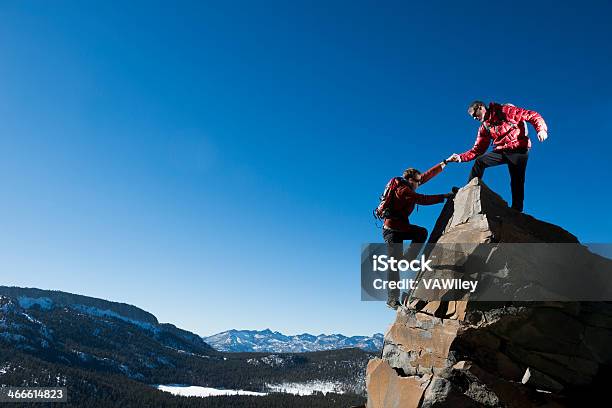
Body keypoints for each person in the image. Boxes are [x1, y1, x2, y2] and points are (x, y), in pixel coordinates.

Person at [447, 101, 548, 212]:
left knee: (517, 180)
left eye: (475, 115)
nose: (475, 118)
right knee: (480, 162)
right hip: (502, 151)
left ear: (480, 107)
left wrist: (541, 129)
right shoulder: (485, 127)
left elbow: (532, 115)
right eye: (473, 117)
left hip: (518, 149)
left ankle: (517, 209)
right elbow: (477, 150)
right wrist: (460, 157)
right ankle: (467, 191)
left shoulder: (504, 110)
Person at [382, 161, 453, 309]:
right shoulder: (403, 190)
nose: (420, 183)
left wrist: (444, 163)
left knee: (421, 233)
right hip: (392, 232)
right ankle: (392, 300)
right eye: (417, 181)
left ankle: (408, 260)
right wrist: (444, 196)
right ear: (410, 180)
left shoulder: (410, 184)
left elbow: (426, 176)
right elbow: (423, 199)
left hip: (402, 227)